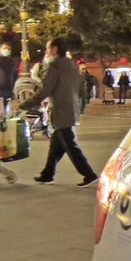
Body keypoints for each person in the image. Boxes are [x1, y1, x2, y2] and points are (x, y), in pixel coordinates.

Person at [27, 38, 99, 187]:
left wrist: (24, 105)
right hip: (70, 109)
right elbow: (80, 89)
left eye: (48, 48)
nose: (47, 51)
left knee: (70, 145)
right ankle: (47, 174)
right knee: (56, 145)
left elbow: (44, 90)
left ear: (54, 49)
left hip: (60, 110)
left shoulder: (53, 67)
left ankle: (89, 174)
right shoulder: (72, 66)